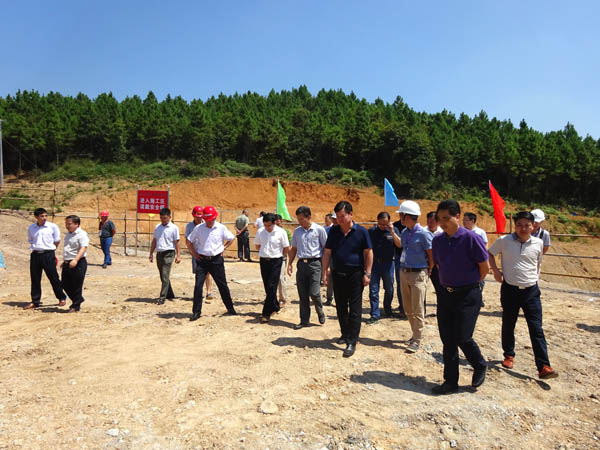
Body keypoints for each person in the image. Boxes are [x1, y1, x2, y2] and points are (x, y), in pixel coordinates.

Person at [488, 211, 558, 380]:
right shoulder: (504, 241)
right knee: (508, 323)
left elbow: (538, 262)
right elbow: (490, 253)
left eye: (527, 225)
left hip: (531, 291)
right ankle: (508, 355)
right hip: (510, 289)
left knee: (536, 328)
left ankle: (544, 366)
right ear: (515, 226)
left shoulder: (538, 243)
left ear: (533, 226)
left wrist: (535, 277)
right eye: (519, 225)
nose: (523, 228)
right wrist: (496, 271)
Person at [431, 199, 489, 394]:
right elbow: (438, 265)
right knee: (447, 339)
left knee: (463, 336)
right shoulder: (438, 241)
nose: (443, 223)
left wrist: (470, 284)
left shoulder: (471, 238)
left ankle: (479, 364)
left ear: (457, 217)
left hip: (468, 295)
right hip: (446, 294)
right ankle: (450, 382)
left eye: (446, 218)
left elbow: (484, 268)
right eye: (440, 219)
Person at [322, 201, 373, 358]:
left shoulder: (362, 232)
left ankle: (352, 341)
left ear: (351, 214)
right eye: (337, 216)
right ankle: (345, 334)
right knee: (341, 307)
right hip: (338, 274)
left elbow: (368, 253)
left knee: (355, 309)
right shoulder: (333, 231)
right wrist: (324, 272)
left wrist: (368, 273)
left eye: (342, 216)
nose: (339, 219)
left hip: (355, 275)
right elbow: (327, 252)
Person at [186, 206, 237, 321]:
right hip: (202, 260)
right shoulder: (199, 228)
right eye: (207, 220)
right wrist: (194, 254)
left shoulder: (221, 228)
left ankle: (230, 308)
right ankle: (196, 312)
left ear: (215, 218)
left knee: (222, 285)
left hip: (216, 260)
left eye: (211, 220)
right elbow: (189, 241)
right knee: (198, 286)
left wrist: (223, 248)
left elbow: (231, 238)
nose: (209, 222)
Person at [398, 201, 433, 353]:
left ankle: (417, 340)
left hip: (418, 273)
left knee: (417, 308)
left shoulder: (424, 234)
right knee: (407, 308)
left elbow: (431, 255)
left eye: (401, 215)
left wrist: (428, 271)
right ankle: (414, 334)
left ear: (408, 216)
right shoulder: (405, 232)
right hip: (404, 272)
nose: (400, 217)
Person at [287, 206, 328, 329]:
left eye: (301, 219)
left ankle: (320, 311)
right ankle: (304, 320)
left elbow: (326, 249)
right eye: (298, 219)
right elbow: (294, 248)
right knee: (303, 294)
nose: (299, 221)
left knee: (314, 293)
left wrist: (326, 267)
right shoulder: (297, 232)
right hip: (301, 265)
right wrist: (290, 263)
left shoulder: (319, 230)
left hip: (315, 264)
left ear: (308, 217)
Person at [24, 208, 67, 309]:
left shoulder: (52, 226)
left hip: (48, 254)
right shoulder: (31, 228)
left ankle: (61, 297)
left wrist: (52, 250)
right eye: (42, 216)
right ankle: (35, 301)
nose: (44, 218)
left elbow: (57, 240)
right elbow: (31, 240)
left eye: (45, 216)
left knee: (53, 277)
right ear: (36, 217)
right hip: (35, 254)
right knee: (35, 278)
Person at [367, 211, 401, 325]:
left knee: (389, 289)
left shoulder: (394, 230)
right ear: (377, 221)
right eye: (381, 224)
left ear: (389, 222)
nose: (383, 226)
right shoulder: (371, 231)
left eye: (385, 224)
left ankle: (387, 309)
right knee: (373, 290)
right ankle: (375, 314)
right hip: (374, 264)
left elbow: (399, 244)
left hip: (389, 264)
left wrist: (392, 231)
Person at [254, 213, 290, 322]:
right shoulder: (260, 231)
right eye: (265, 225)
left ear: (274, 223)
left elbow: (286, 247)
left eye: (269, 225)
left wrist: (280, 256)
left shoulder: (281, 232)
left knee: (272, 286)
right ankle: (275, 306)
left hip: (276, 261)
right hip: (264, 261)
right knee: (267, 286)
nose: (267, 227)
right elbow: (257, 245)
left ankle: (266, 313)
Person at [149, 208, 181, 305]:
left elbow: (177, 242)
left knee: (165, 274)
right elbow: (154, 241)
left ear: (170, 217)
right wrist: (151, 253)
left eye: (165, 218)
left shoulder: (174, 228)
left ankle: (162, 297)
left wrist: (178, 255)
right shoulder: (157, 227)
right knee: (162, 275)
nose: (163, 220)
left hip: (169, 253)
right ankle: (169, 293)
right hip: (159, 253)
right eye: (161, 218)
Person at [185, 206, 214, 300]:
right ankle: (199, 293)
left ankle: (209, 292)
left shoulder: (206, 224)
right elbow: (187, 241)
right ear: (193, 216)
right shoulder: (189, 226)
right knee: (199, 274)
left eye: (200, 216)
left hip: (206, 252)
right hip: (195, 253)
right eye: (197, 216)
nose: (198, 218)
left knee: (208, 273)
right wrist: (193, 253)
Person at [61, 215, 89, 312]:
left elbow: (83, 248)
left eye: (69, 224)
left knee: (77, 285)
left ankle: (75, 306)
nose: (67, 226)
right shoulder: (68, 234)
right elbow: (68, 249)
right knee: (64, 284)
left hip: (78, 262)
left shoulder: (82, 234)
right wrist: (65, 261)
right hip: (67, 262)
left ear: (76, 224)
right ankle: (78, 299)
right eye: (66, 224)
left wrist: (76, 260)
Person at [425, 211, 444, 313]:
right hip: (424, 265)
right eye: (428, 221)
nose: (430, 224)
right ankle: (422, 311)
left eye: (432, 222)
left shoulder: (443, 233)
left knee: (440, 289)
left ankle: (440, 310)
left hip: (438, 266)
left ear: (437, 222)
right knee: (422, 289)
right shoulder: (423, 232)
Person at [392, 209, 407, 318]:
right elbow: (399, 244)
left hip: (412, 258)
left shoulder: (414, 227)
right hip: (399, 257)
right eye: (400, 214)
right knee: (400, 284)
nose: (401, 216)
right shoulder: (395, 226)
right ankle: (402, 307)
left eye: (403, 214)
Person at [275, 214, 292, 307]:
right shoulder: (271, 232)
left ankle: (282, 298)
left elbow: (289, 246)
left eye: (278, 222)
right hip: (273, 258)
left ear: (281, 221)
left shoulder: (286, 232)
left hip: (282, 258)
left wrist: (285, 256)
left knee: (281, 278)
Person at [323, 212, 337, 306]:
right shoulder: (328, 230)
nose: (334, 220)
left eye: (335, 219)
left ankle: (339, 299)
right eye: (333, 219)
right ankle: (329, 298)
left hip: (339, 259)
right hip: (330, 257)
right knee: (330, 279)